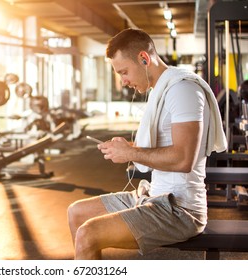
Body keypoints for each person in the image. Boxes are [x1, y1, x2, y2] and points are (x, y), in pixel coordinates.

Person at [67, 28, 227, 259]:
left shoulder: (182, 90)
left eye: (124, 72)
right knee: (76, 213)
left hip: (180, 209)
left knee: (88, 234)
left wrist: (132, 153)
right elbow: (163, 144)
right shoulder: (160, 90)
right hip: (154, 195)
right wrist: (126, 148)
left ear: (144, 58)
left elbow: (184, 159)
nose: (123, 82)